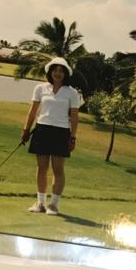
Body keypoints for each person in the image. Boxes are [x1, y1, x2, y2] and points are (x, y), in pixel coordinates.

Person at [21, 57, 82, 216]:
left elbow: (74, 117)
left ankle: (53, 205)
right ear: (50, 72)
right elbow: (33, 111)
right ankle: (40, 204)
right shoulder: (40, 88)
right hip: (42, 130)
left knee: (58, 169)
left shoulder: (72, 92)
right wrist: (26, 130)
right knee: (42, 168)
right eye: (55, 70)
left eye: (61, 71)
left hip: (61, 132)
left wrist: (73, 137)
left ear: (66, 73)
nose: (57, 73)